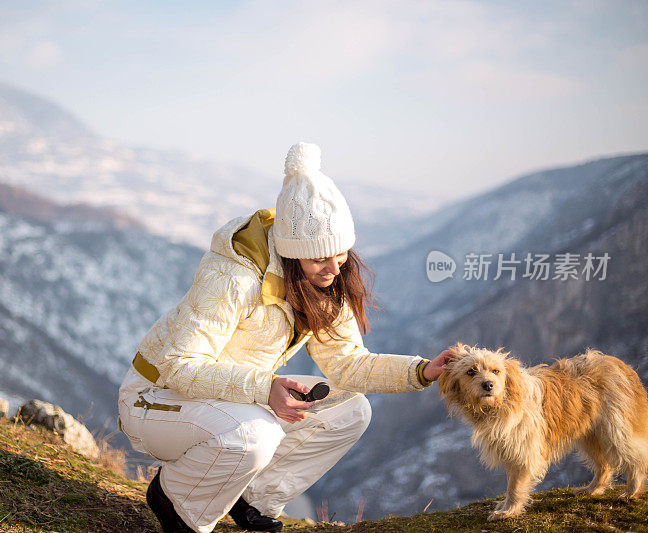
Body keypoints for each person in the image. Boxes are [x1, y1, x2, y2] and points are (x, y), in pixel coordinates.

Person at [117, 142, 451, 533]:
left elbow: (347, 363)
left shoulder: (322, 281)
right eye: (319, 258)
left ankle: (252, 498)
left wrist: (423, 371)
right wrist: (264, 388)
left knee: (351, 411)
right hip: (155, 399)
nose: (333, 268)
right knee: (255, 434)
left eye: (340, 254)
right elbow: (178, 366)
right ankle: (178, 504)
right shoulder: (233, 277)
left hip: (231, 398)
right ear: (292, 254)